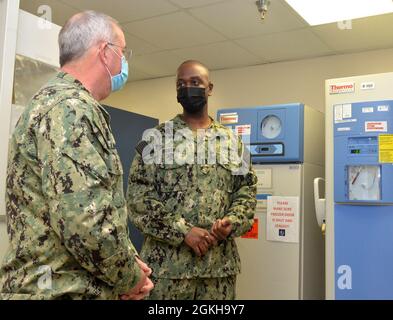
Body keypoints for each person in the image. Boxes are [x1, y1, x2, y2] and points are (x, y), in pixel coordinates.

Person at [0, 11, 153, 300]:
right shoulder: (72, 109)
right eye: (123, 52)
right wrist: (130, 278)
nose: (124, 62)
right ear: (105, 52)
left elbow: (97, 209)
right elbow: (85, 221)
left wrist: (129, 264)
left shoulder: (48, 102)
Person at [127, 60, 257, 300]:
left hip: (218, 272)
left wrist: (232, 221)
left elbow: (247, 190)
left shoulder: (232, 143)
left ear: (210, 88)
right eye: (181, 84)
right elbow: (138, 200)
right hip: (167, 272)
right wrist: (183, 231)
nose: (188, 88)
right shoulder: (156, 140)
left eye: (195, 82)